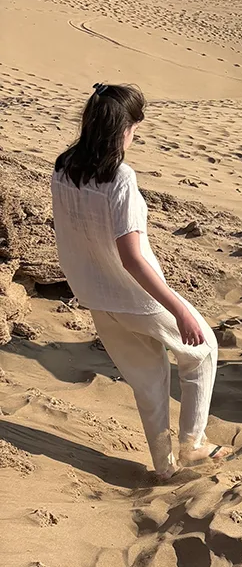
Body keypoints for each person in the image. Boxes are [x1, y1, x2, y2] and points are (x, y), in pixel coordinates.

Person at [50, 84, 229, 482]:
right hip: (137, 296)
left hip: (94, 293)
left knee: (147, 381)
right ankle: (192, 444)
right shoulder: (119, 177)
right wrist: (179, 308)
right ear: (123, 128)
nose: (135, 134)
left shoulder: (62, 168)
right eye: (134, 127)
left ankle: (165, 468)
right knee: (203, 350)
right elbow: (131, 257)